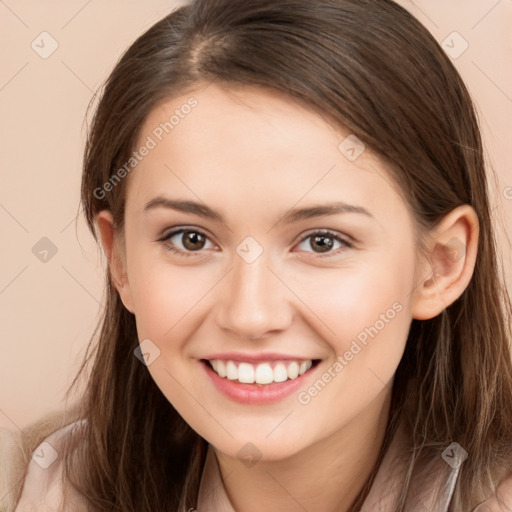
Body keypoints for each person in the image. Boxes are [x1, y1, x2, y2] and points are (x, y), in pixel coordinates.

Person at [4, 0, 512, 510]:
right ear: (120, 260)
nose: (250, 315)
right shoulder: (55, 489)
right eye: (191, 239)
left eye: (321, 241)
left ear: (440, 265)